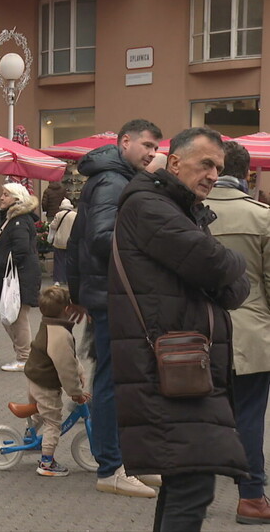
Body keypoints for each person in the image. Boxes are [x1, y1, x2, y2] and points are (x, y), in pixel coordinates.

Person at [111, 127, 249, 529]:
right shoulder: (150, 207)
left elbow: (234, 290)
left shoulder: (176, 208)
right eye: (205, 163)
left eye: (219, 168)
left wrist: (225, 266)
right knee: (192, 486)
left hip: (184, 370)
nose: (212, 174)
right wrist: (230, 260)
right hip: (168, 373)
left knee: (184, 482)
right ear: (174, 163)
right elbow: (219, 265)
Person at [67, 118, 162, 498]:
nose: (152, 154)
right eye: (147, 146)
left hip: (106, 294)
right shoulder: (112, 181)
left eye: (156, 148)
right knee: (111, 382)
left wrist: (78, 293)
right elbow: (103, 238)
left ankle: (125, 462)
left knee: (117, 379)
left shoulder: (112, 177)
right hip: (113, 296)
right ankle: (111, 468)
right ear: (125, 142)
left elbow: (77, 243)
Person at [205, 141, 270, 524]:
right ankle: (251, 497)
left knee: (203, 411)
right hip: (251, 331)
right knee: (249, 413)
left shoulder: (190, 212)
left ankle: (196, 487)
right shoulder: (261, 216)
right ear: (246, 173)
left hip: (200, 332)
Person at [24, 286, 90, 477]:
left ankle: (30, 438)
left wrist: (80, 370)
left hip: (35, 376)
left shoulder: (49, 324)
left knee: (39, 412)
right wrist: (76, 393)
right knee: (53, 422)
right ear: (67, 310)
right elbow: (65, 367)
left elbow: (69, 358)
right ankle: (47, 463)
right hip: (45, 383)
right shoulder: (61, 335)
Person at [0, 183, 40, 372]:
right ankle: (23, 355)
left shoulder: (19, 221)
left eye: (5, 195)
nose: (1, 198)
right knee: (11, 317)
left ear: (16, 199)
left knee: (17, 318)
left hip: (19, 277)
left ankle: (25, 357)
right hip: (15, 276)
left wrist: (2, 264)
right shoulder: (12, 219)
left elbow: (20, 248)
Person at [48, 198, 76, 285]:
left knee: (59, 261)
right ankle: (68, 278)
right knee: (70, 261)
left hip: (59, 241)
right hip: (70, 241)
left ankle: (58, 279)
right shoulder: (75, 215)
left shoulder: (59, 214)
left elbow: (53, 226)